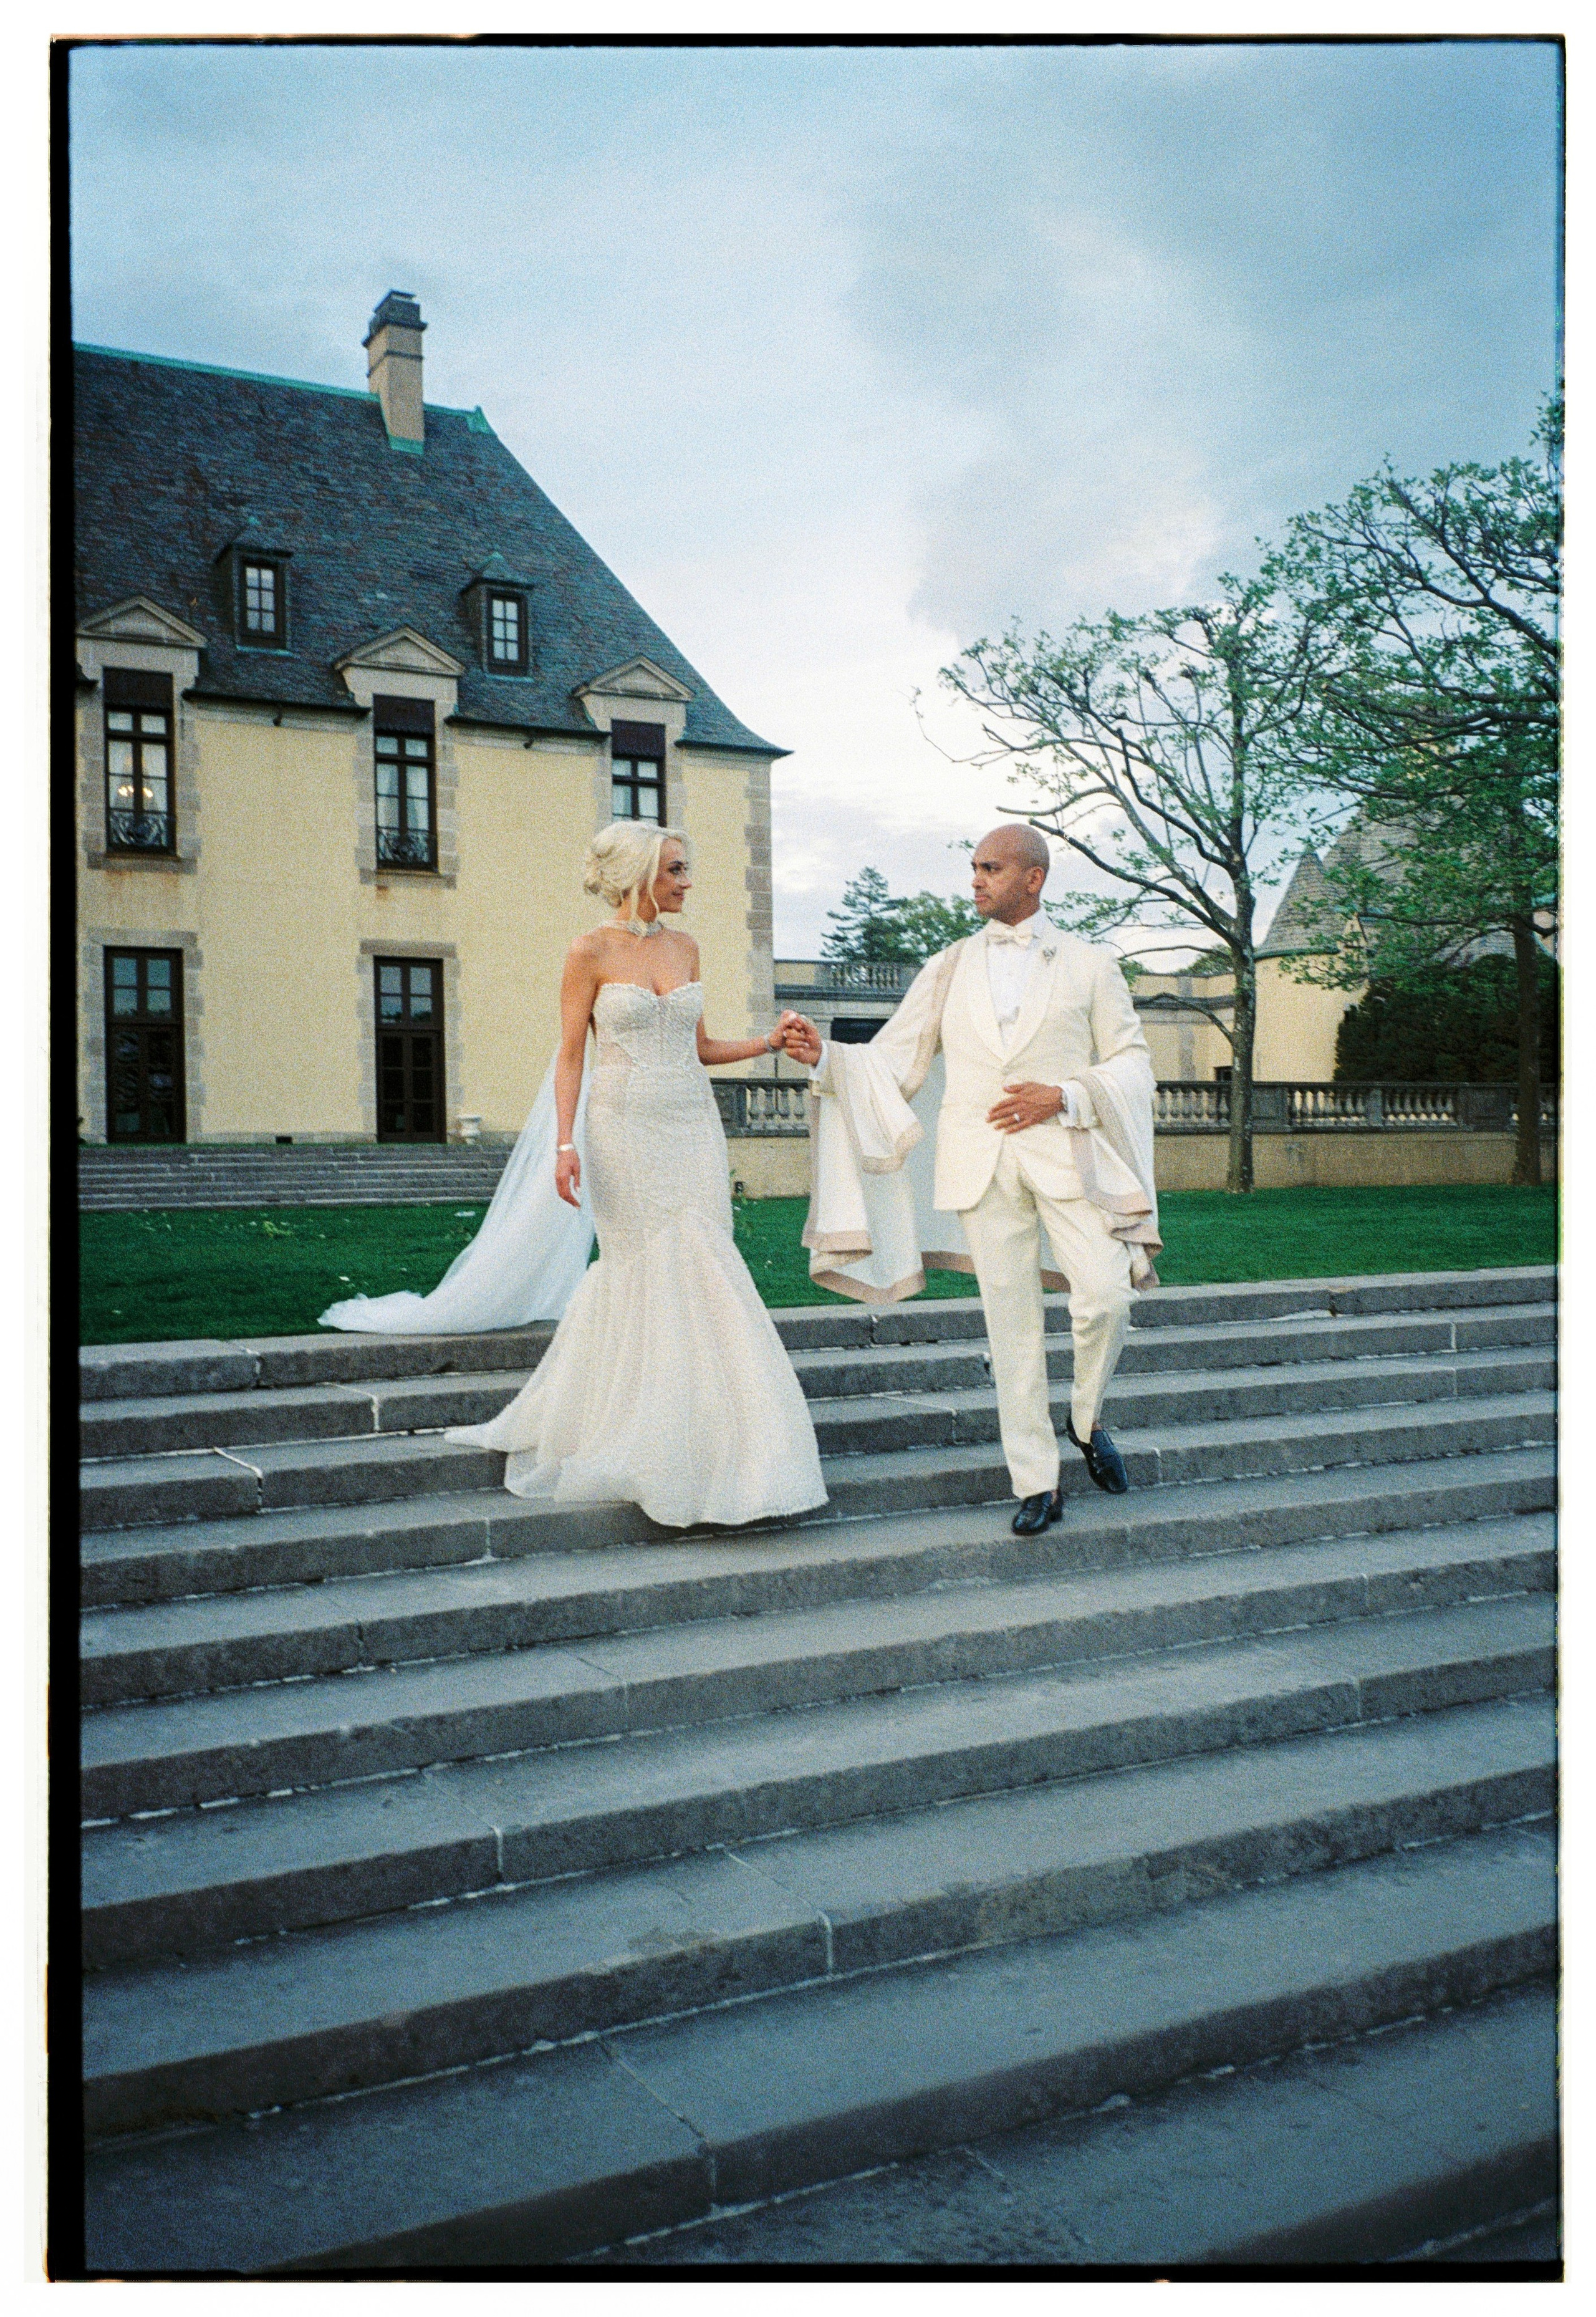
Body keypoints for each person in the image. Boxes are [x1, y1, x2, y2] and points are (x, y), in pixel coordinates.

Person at [434, 823, 827, 1529]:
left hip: (691, 1127)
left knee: (704, 1259)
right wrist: (563, 1142)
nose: (686, 882)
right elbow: (570, 1057)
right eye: (676, 869)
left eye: (686, 869)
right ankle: (639, 1435)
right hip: (621, 1128)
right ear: (640, 873)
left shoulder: (686, 947)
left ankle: (717, 1440)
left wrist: (767, 1041)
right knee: (645, 1266)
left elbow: (699, 1045)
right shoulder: (588, 951)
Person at [781, 824, 1160, 1538]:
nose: (976, 880)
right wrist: (824, 1056)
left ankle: (1085, 1417)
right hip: (979, 1164)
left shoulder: (1088, 964)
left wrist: (1067, 1094)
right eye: (974, 868)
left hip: (1071, 1157)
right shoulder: (949, 965)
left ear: (1033, 879)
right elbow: (895, 1053)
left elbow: (1134, 1064)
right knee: (1009, 1325)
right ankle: (1036, 1481)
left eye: (990, 868)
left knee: (1105, 1297)